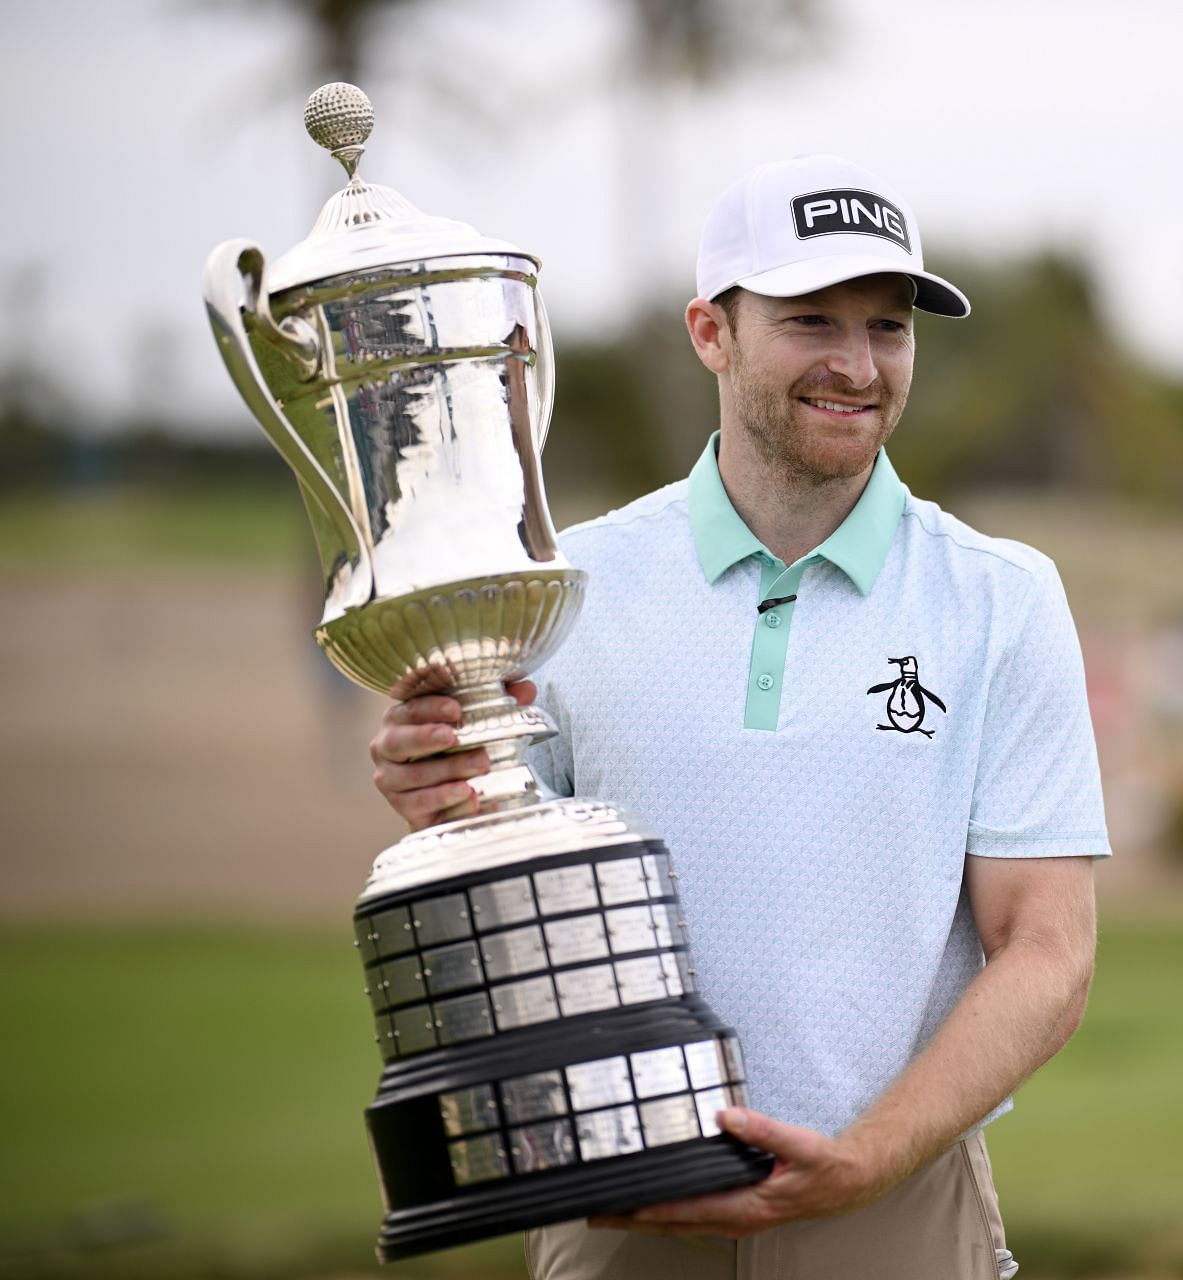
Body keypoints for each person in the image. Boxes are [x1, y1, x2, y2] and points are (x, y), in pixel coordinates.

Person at [367, 155, 1110, 1279]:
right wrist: (443, 798)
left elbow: (1048, 947)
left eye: (889, 326)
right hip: (615, 1205)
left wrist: (865, 1157)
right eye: (811, 320)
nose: (858, 365)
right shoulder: (560, 586)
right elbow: (517, 896)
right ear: (711, 332)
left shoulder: (1001, 596)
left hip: (897, 1207)